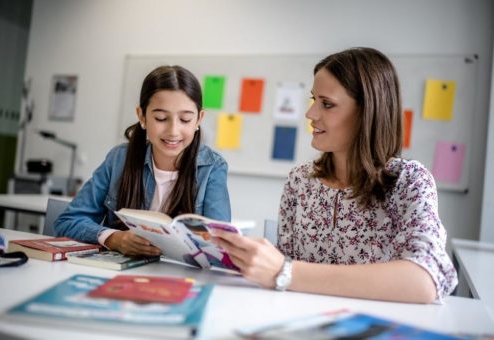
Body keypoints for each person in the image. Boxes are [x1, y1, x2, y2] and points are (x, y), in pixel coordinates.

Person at [212, 47, 458, 304]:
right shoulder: (299, 181)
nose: (311, 114)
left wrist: (286, 271)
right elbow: (281, 277)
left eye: (327, 104)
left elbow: (424, 280)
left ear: (367, 112)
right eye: (313, 100)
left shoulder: (408, 181)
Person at [55, 65, 231, 256]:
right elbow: (68, 221)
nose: (173, 131)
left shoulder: (212, 168)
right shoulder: (119, 159)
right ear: (142, 116)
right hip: (121, 276)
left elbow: (221, 246)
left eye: (185, 120)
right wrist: (115, 238)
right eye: (161, 118)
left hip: (179, 279)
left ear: (198, 119)